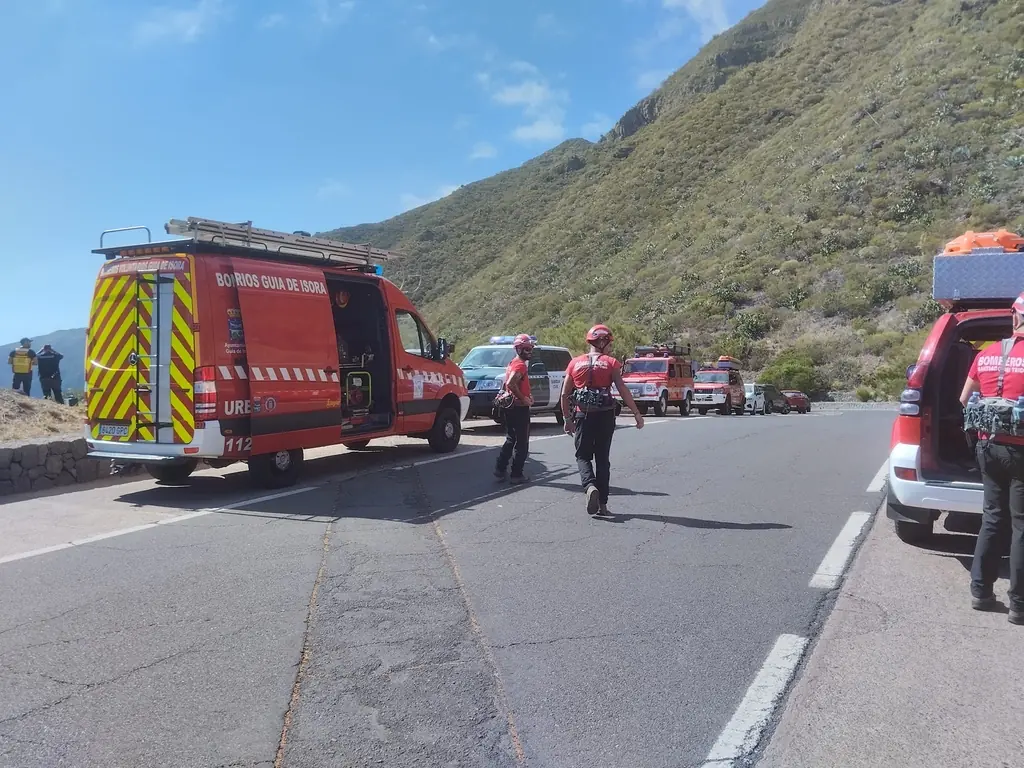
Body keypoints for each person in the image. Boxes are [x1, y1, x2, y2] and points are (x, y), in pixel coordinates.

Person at [959, 291, 1024, 626]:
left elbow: (964, 398)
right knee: (1021, 526)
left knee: (992, 519)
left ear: (1015, 317)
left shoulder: (986, 353)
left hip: (988, 448)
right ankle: (1019, 605)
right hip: (1021, 451)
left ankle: (981, 591)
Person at [560, 324, 644, 516]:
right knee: (603, 459)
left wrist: (567, 418)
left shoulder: (574, 363)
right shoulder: (611, 363)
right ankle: (603, 505)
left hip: (583, 415)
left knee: (582, 456)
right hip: (605, 415)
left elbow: (565, 394)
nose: (611, 348)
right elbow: (622, 389)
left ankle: (590, 486)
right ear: (602, 341)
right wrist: (636, 413)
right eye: (609, 343)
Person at [494, 334, 535, 484]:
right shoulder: (520, 365)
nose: (529, 351)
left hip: (511, 406)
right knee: (522, 441)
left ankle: (500, 468)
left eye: (530, 348)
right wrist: (524, 399)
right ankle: (516, 474)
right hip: (519, 408)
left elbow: (512, 385)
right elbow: (511, 384)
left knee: (511, 438)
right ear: (519, 349)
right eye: (526, 348)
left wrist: (527, 395)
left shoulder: (513, 363)